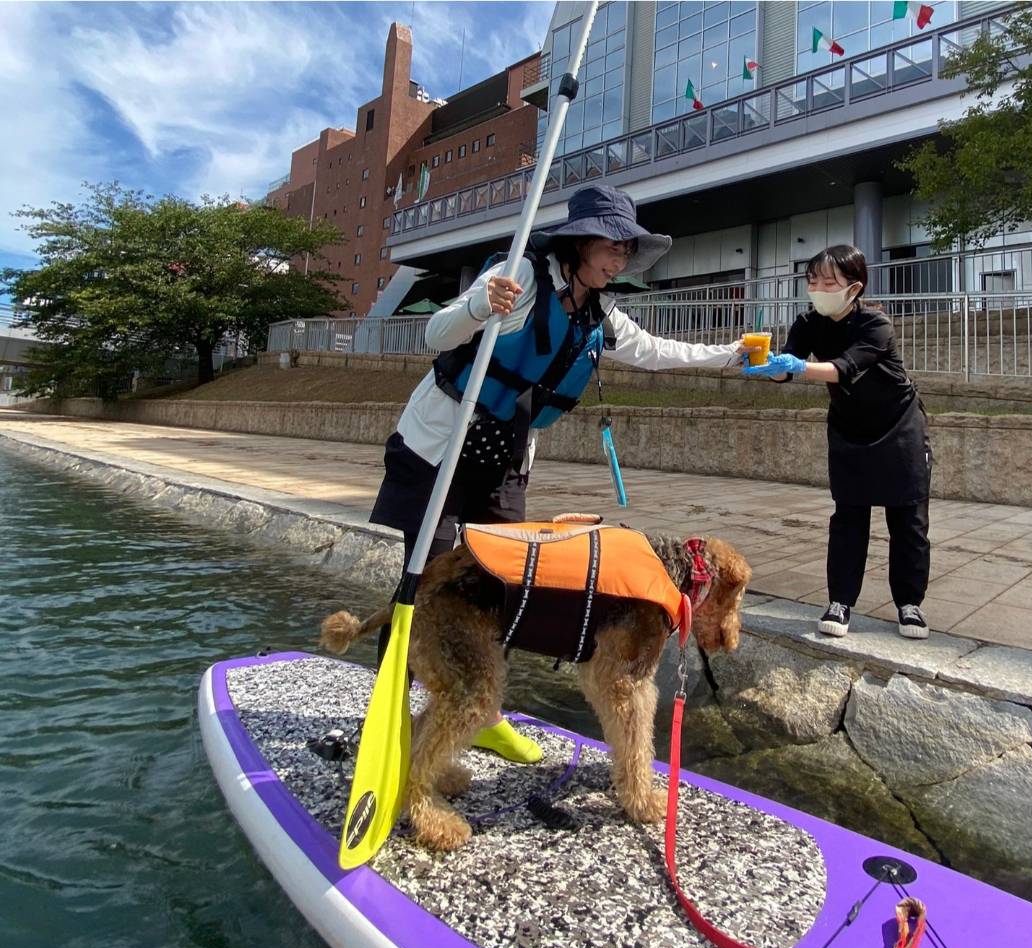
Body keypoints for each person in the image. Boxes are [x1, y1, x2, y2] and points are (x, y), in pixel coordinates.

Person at [370, 184, 745, 762]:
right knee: (427, 583)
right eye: (611, 246)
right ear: (577, 243)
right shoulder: (519, 275)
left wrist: (729, 355)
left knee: (503, 586)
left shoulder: (601, 312)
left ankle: (484, 713)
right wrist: (478, 306)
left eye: (627, 250)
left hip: (504, 455)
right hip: (439, 449)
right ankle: (389, 710)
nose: (620, 260)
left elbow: (654, 351)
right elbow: (435, 333)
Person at [744, 244, 931, 640]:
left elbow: (843, 369)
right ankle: (840, 601)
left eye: (829, 281)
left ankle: (909, 604)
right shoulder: (808, 322)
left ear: (854, 287)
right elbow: (788, 370)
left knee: (908, 520)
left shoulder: (875, 325)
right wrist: (770, 367)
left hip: (899, 427)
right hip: (849, 428)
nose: (818, 288)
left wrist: (798, 366)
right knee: (848, 518)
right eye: (813, 281)